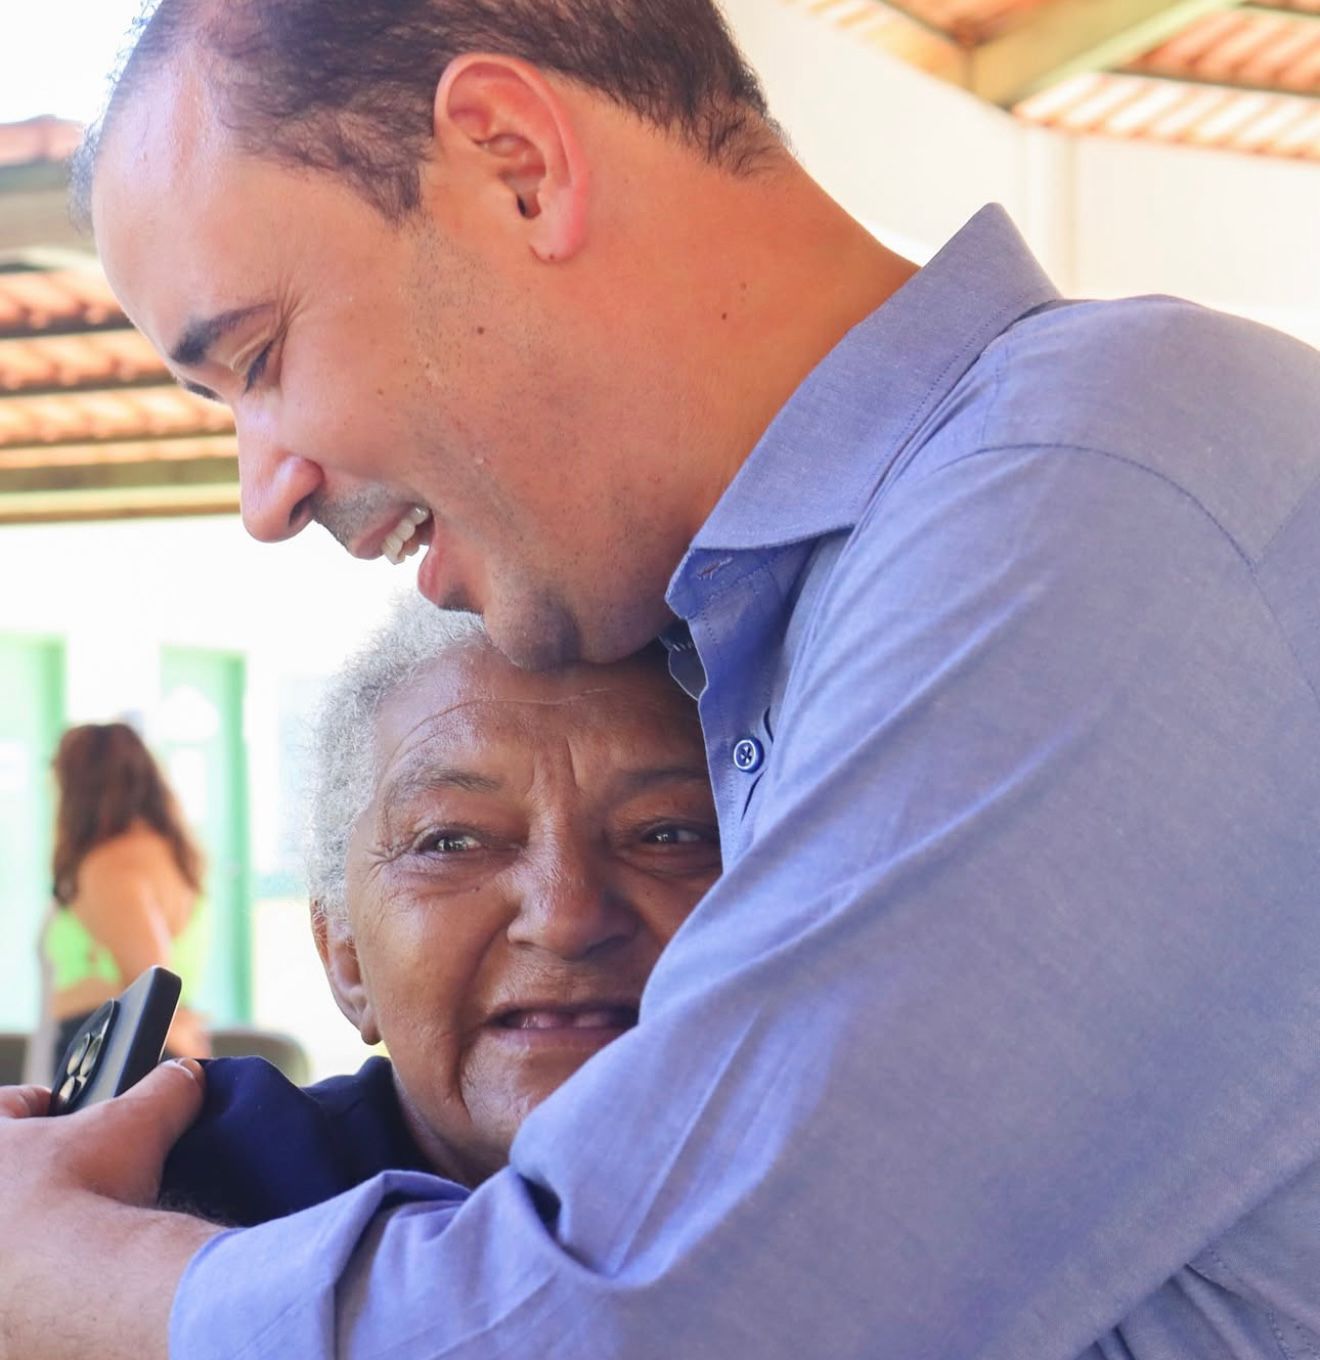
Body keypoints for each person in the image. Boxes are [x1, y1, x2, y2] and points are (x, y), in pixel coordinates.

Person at [3, 1, 1320, 1357]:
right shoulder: (845, 611)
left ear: (517, 162)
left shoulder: (1091, 494)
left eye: (260, 359)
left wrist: (71, 1273)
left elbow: (652, 1319)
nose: (264, 498)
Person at [161, 598, 720, 1223]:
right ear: (344, 956)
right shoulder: (178, 1190)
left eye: (668, 834)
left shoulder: (843, 1189)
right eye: (450, 841)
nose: (565, 919)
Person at [40, 722, 210, 1076]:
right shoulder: (170, 854)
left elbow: (153, 980)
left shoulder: (108, 864)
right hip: (129, 1054)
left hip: (105, 1059)